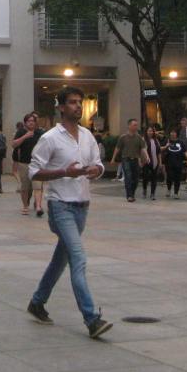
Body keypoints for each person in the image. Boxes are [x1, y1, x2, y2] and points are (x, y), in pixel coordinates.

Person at [26, 86, 113, 340]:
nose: (78, 106)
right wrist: (64, 172)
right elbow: (34, 172)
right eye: (73, 102)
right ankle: (91, 319)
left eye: (80, 102)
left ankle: (37, 302)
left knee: (60, 259)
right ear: (62, 107)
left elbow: (98, 163)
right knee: (78, 257)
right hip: (60, 206)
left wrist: (96, 170)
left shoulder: (87, 136)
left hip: (82, 206)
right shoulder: (50, 138)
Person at [13, 112, 45, 216]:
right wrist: (25, 136)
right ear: (25, 123)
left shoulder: (40, 133)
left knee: (38, 186)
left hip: (37, 164)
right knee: (25, 187)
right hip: (24, 163)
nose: (31, 123)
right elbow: (14, 144)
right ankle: (25, 206)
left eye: (33, 121)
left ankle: (38, 206)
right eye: (29, 121)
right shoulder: (21, 132)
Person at [109, 118, 145, 202]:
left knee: (135, 179)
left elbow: (143, 149)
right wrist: (113, 159)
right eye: (134, 125)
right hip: (126, 159)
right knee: (128, 176)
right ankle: (129, 196)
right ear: (129, 126)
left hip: (136, 159)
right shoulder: (123, 137)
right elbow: (117, 148)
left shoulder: (139, 138)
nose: (136, 127)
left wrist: (144, 159)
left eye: (136, 125)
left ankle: (132, 194)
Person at [162, 130, 187, 199]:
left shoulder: (180, 142)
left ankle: (176, 193)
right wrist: (166, 146)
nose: (173, 134)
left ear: (176, 134)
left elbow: (185, 151)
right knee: (169, 177)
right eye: (171, 132)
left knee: (177, 178)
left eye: (174, 132)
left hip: (178, 163)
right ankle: (168, 189)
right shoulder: (167, 141)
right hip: (169, 163)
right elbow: (161, 149)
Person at [140, 126, 161, 200]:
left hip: (155, 161)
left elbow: (159, 152)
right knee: (145, 177)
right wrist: (141, 161)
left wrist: (160, 162)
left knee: (154, 178)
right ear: (146, 132)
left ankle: (152, 194)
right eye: (149, 131)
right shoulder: (143, 140)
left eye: (152, 131)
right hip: (146, 161)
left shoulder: (156, 140)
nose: (150, 132)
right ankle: (144, 190)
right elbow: (141, 151)